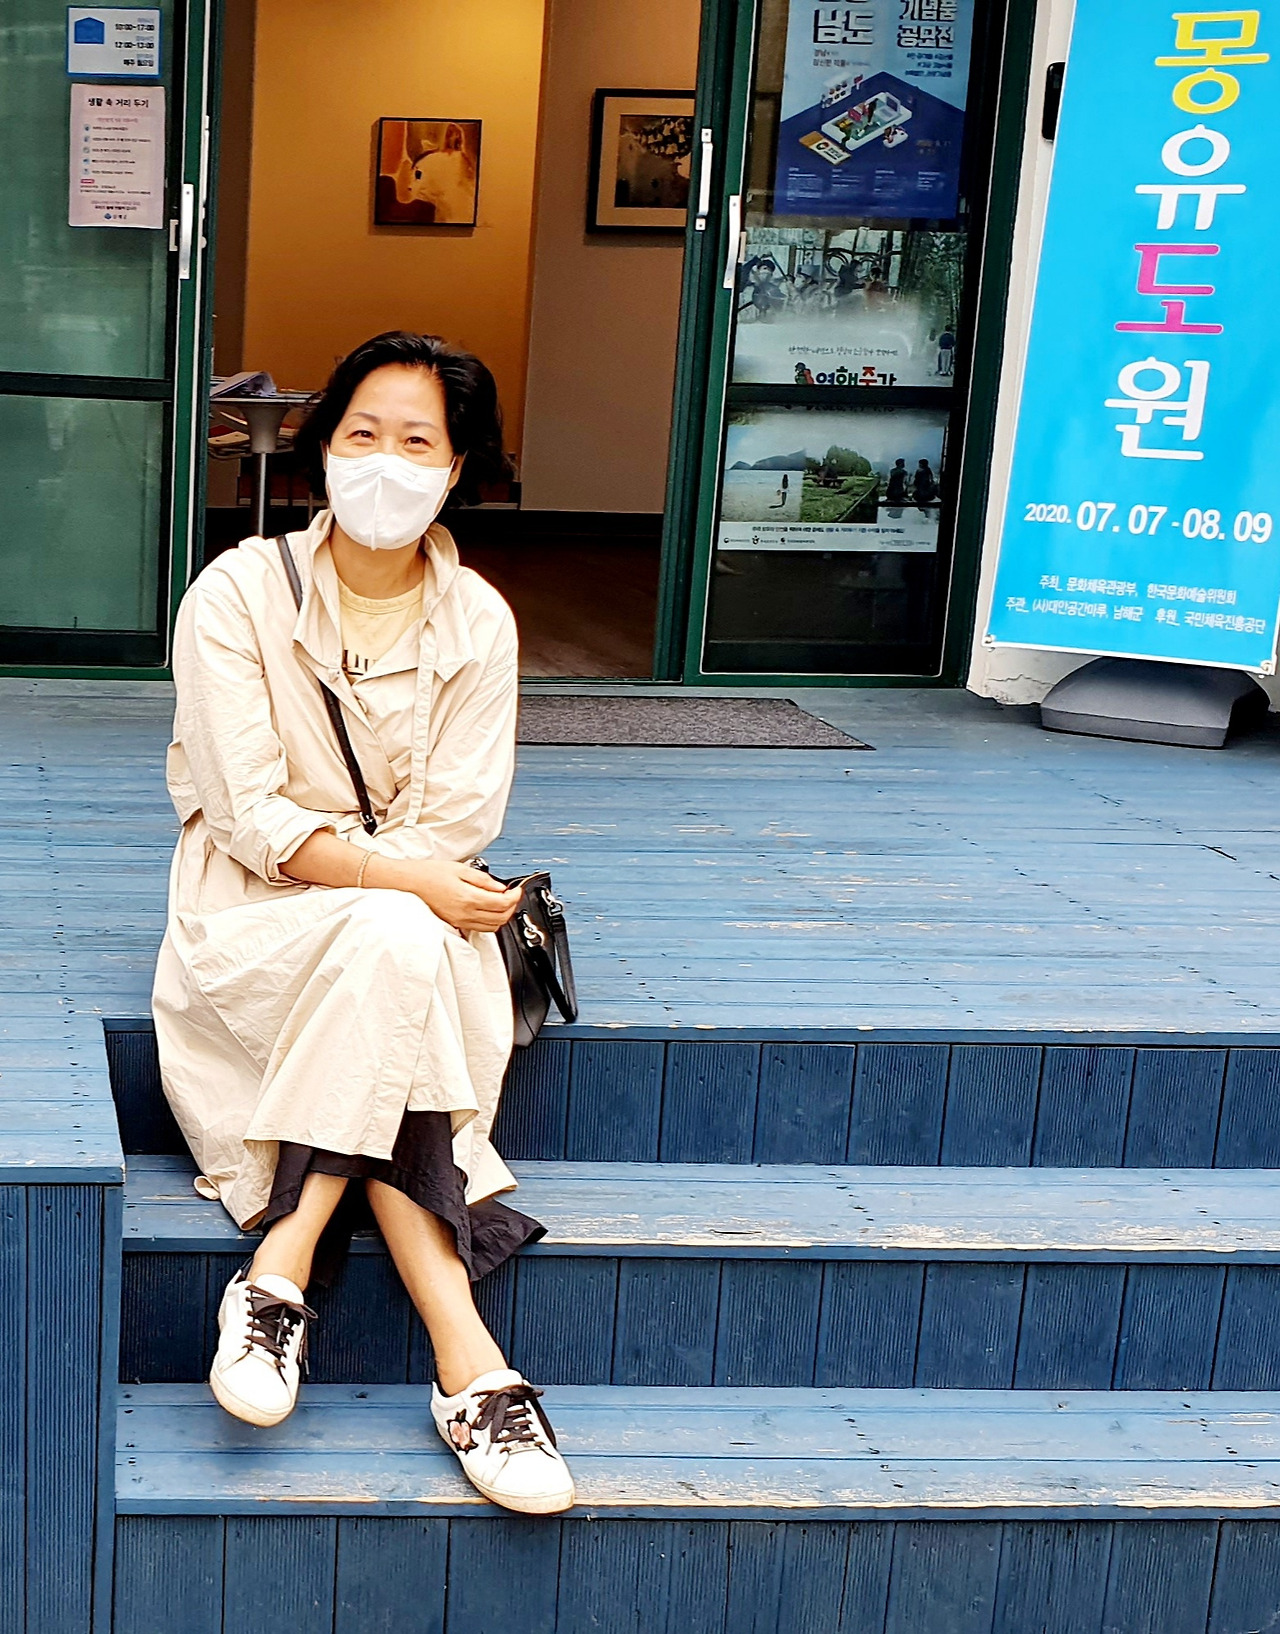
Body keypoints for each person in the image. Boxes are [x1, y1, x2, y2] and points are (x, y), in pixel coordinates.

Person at [152, 330, 575, 1517]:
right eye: (362, 434)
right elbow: (249, 817)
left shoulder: (478, 621)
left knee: (392, 940)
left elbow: (460, 816)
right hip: (257, 914)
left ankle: (278, 1274)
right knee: (398, 937)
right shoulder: (238, 594)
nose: (385, 461)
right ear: (323, 448)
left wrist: (400, 880)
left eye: (417, 442)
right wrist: (401, 877)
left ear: (458, 468)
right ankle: (468, 1362)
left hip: (410, 927)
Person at [407, 123, 476, 223]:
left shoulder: (428, 160)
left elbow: (417, 186)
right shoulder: (465, 162)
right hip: (462, 213)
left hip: (442, 211)